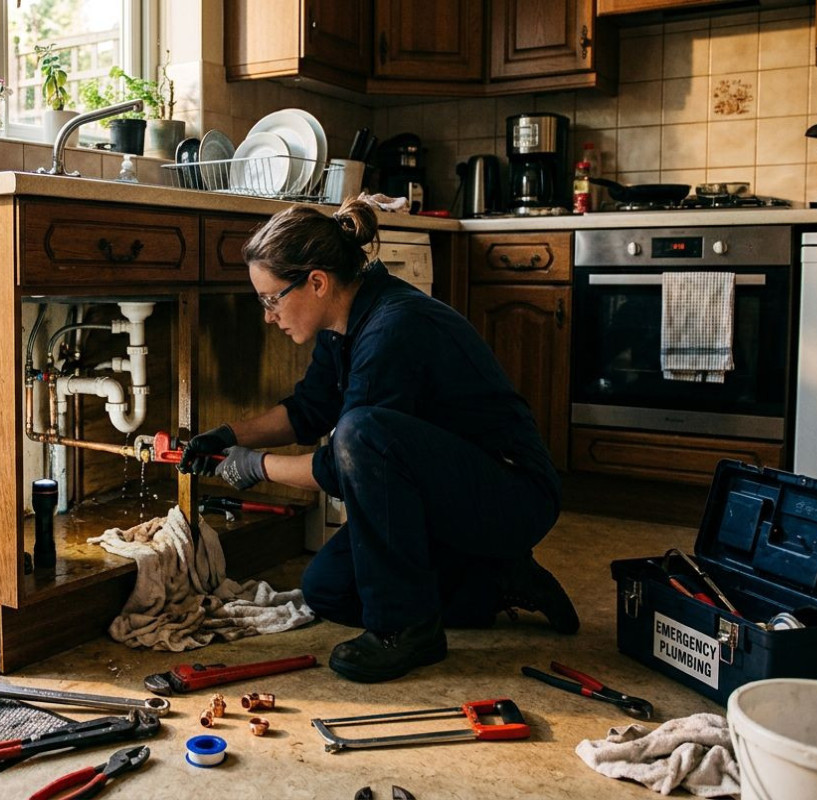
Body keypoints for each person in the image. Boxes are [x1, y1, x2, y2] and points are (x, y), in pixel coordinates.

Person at [178, 198, 578, 683]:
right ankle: (495, 579)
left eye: (271, 299)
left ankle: (405, 629)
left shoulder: (394, 327)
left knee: (361, 433)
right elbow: (309, 409)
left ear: (317, 282)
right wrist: (227, 435)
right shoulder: (342, 324)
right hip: (453, 493)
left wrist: (254, 466)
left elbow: (347, 461)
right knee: (328, 589)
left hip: (514, 495)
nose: (268, 315)